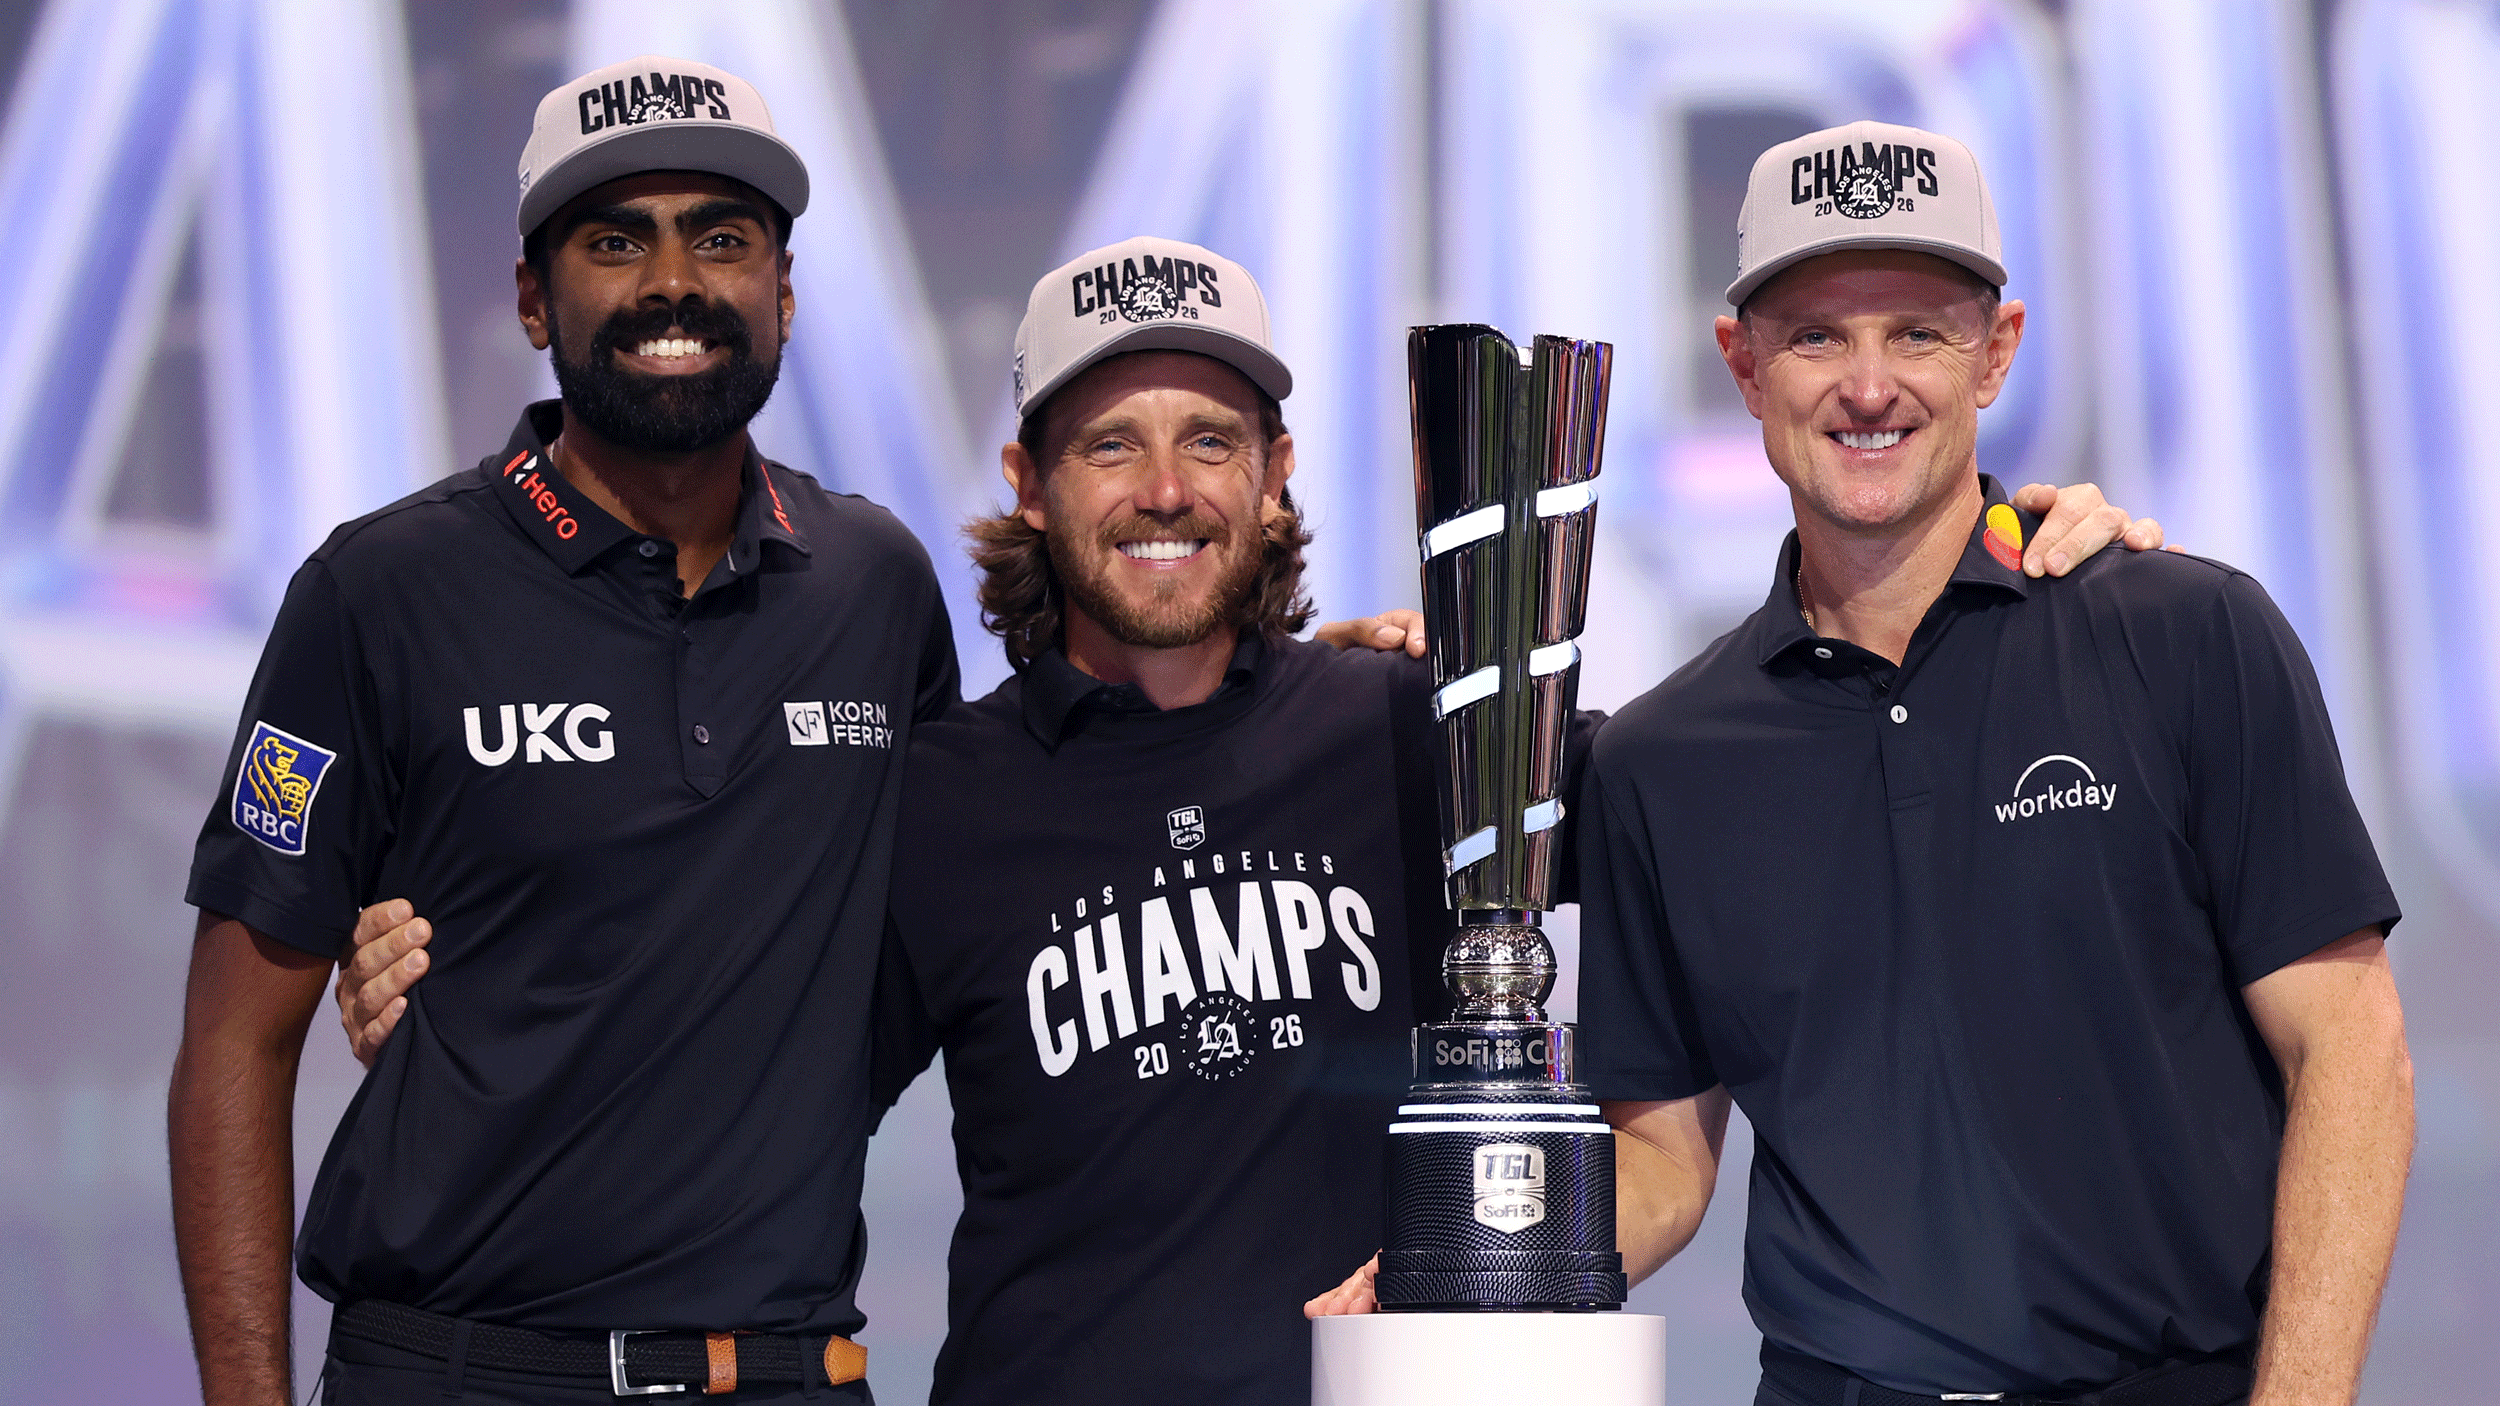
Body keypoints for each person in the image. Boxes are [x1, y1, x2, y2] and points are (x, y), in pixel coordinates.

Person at [339, 232, 2161, 1405]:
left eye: (1210, 438)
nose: (1162, 489)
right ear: (1031, 486)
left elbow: (1773, 770)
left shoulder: (1421, 731)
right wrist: (448, 968)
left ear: (1279, 476)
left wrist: (1997, 557)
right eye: (1109, 442)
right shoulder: (936, 803)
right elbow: (713, 1044)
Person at [1574, 122, 2412, 1406]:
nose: (1868, 386)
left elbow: (2350, 1056)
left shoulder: (2186, 635)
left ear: (1995, 353)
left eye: (1917, 330)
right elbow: (1663, 1169)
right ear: (1742, 365)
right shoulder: (1658, 758)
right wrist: (1466, 1268)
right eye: (1814, 335)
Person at [169, 57, 960, 1404]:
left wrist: (1273, 677)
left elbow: (976, 911)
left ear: (782, 293)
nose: (671, 282)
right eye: (614, 240)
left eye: (721, 236)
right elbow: (234, 1046)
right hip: (453, 1368)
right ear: (535, 297)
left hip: (775, 1372)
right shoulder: (380, 590)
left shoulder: (878, 586)